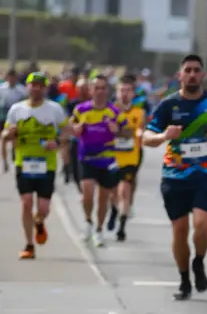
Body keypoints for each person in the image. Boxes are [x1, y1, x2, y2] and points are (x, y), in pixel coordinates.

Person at [142, 54, 207, 301]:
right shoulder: (168, 105)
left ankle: (199, 261)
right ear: (180, 75)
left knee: (203, 223)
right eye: (188, 70)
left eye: (197, 70)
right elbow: (145, 138)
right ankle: (184, 279)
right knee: (180, 230)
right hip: (174, 175)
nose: (192, 74)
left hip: (206, 171)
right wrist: (164, 136)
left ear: (203, 75)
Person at [4, 72, 68, 259]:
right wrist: (9, 134)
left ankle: (39, 222)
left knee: (43, 208)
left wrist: (56, 142)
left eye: (40, 85)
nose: (36, 88)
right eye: (33, 85)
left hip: (46, 164)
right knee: (26, 203)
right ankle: (29, 245)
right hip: (23, 162)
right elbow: (6, 134)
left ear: (45, 88)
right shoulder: (16, 110)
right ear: (28, 87)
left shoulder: (54, 109)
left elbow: (66, 132)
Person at [69, 72, 121, 247]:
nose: (99, 91)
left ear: (107, 91)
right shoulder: (81, 109)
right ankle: (88, 222)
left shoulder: (113, 111)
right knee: (88, 192)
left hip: (106, 160)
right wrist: (75, 128)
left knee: (103, 198)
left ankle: (99, 230)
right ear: (90, 90)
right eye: (96, 88)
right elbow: (70, 126)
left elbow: (127, 131)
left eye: (103, 88)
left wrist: (118, 130)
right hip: (87, 158)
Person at [109, 74, 146, 241]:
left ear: (133, 93)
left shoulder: (139, 112)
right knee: (113, 191)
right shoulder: (110, 111)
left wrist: (140, 133)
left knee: (125, 189)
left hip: (131, 156)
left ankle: (122, 226)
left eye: (128, 91)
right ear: (117, 92)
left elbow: (142, 130)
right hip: (112, 157)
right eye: (122, 90)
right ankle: (113, 210)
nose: (125, 94)